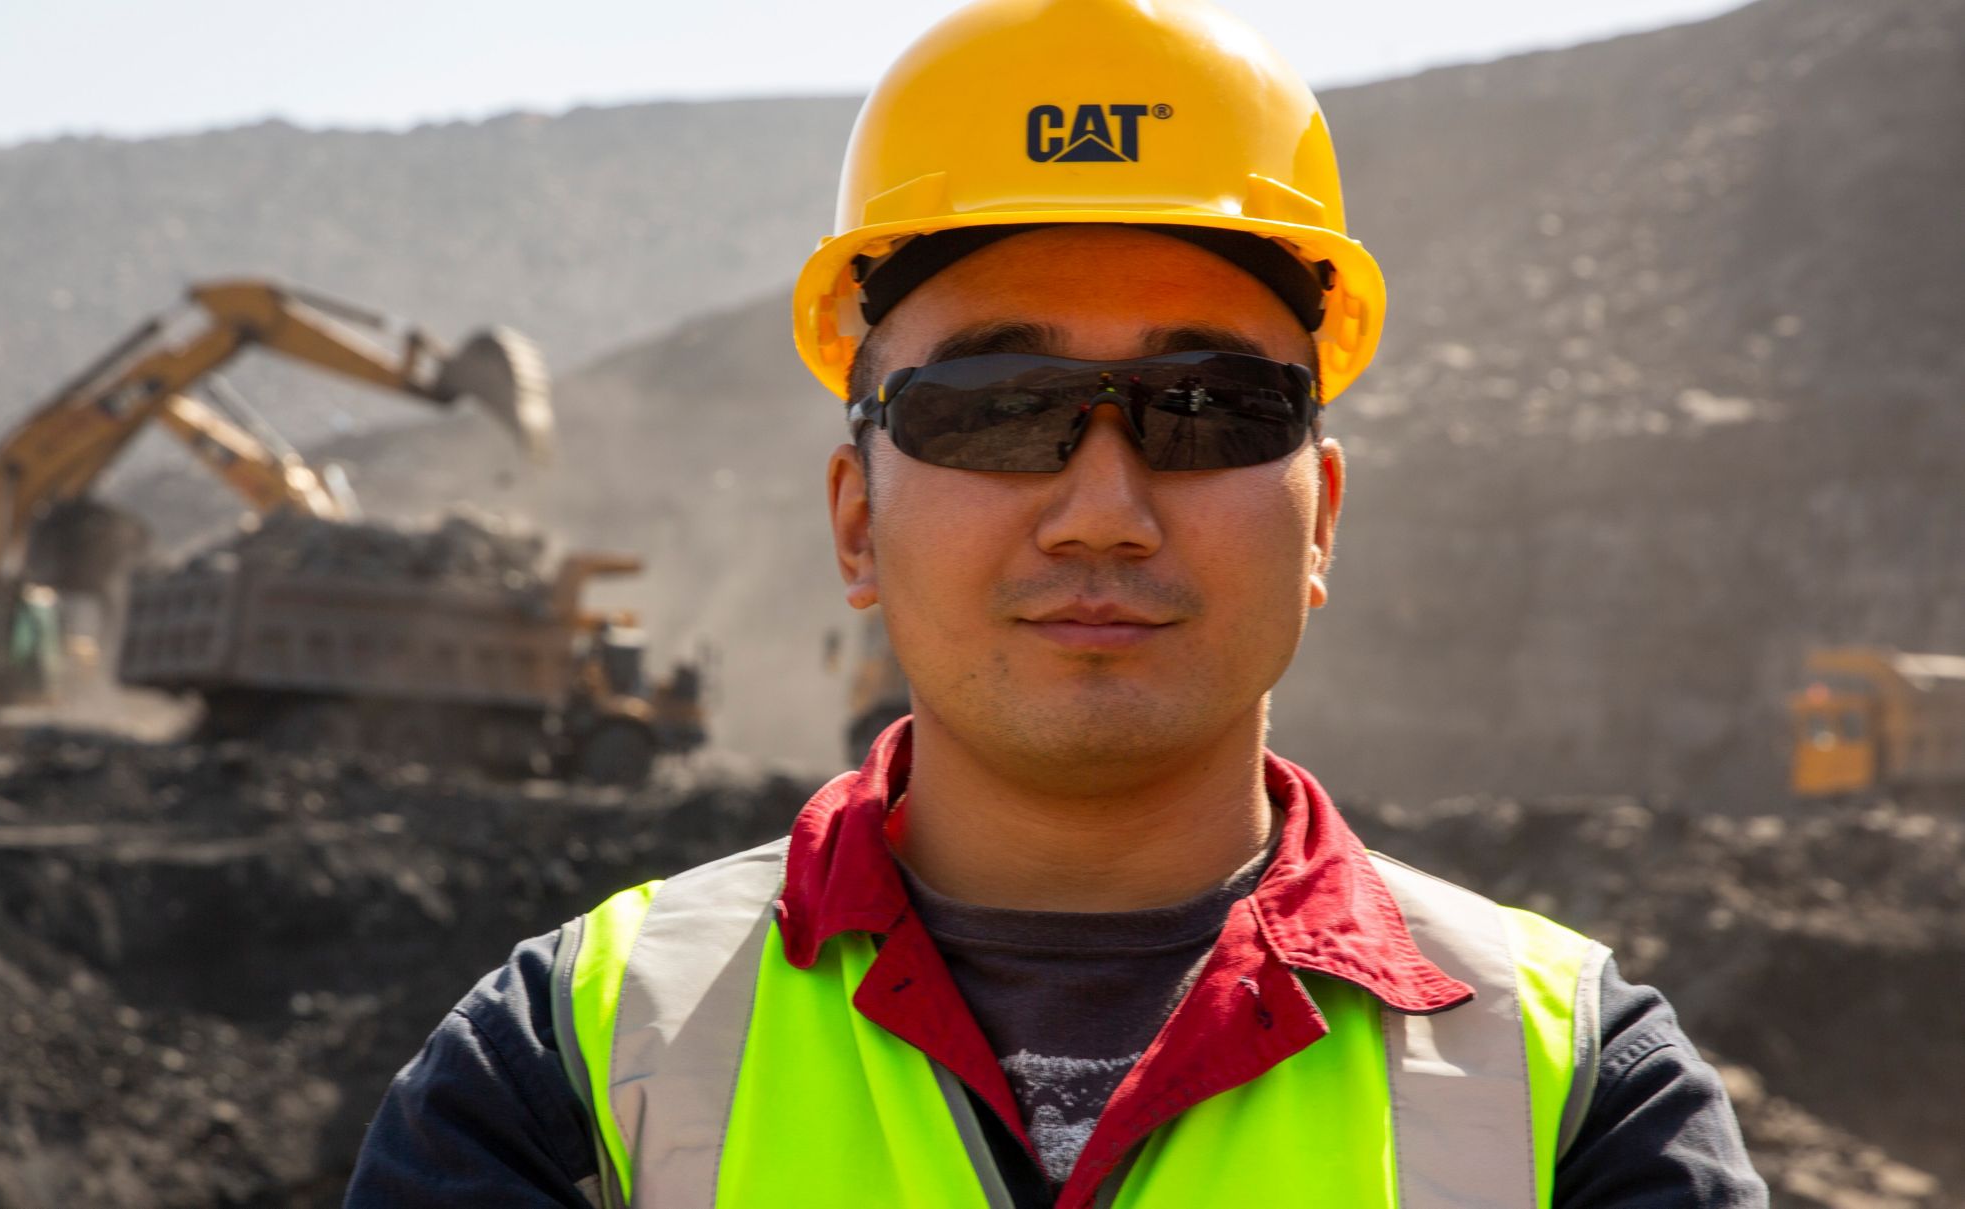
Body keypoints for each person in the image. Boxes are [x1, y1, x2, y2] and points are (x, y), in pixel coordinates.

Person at [347, 0, 1766, 1204]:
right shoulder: (562, 1076)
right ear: (856, 517)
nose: (1103, 511)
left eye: (1206, 408)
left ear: (1321, 515)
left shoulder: (1582, 1098)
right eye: (997, 408)